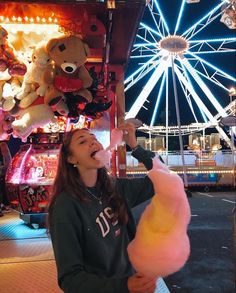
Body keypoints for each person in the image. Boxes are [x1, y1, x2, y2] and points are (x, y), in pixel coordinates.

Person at [48, 123, 158, 293]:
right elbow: (70, 278)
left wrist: (135, 147)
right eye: (83, 142)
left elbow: (161, 178)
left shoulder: (115, 188)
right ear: (71, 159)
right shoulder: (65, 206)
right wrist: (124, 286)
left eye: (95, 139)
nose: (93, 143)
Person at [0, 141, 12, 217]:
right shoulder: (3, 145)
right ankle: (5, 205)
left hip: (5, 173)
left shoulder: (2, 145)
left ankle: (5, 205)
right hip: (4, 173)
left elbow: (7, 163)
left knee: (4, 189)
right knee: (3, 189)